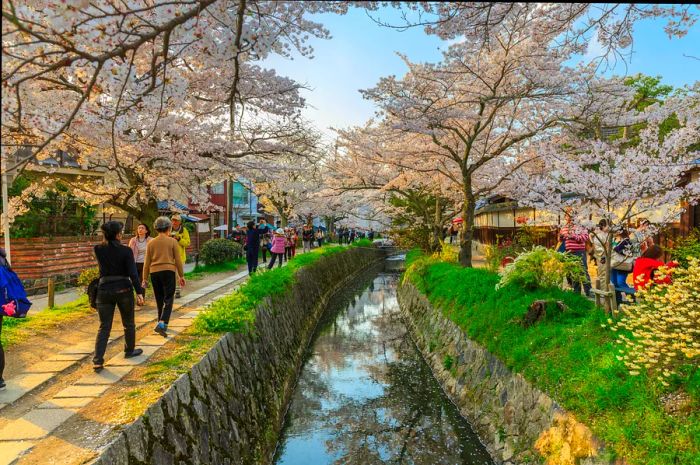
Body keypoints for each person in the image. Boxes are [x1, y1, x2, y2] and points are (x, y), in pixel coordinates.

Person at [92, 221, 145, 371]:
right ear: (117, 234)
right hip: (123, 289)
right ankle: (129, 350)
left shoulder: (98, 249)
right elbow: (133, 273)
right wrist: (139, 291)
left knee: (104, 326)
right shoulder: (126, 251)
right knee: (128, 323)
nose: (122, 234)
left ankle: (98, 359)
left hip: (104, 290)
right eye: (120, 232)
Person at [143, 216, 186, 337]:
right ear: (169, 228)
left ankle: (160, 322)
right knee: (169, 298)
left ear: (156, 229)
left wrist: (144, 279)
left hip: (154, 272)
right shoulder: (172, 241)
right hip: (168, 271)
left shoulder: (150, 243)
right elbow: (178, 260)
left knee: (159, 299)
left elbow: (146, 263)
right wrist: (181, 276)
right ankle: (163, 323)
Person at [559, 216, 591, 296]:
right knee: (573, 272)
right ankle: (577, 293)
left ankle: (589, 291)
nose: (568, 218)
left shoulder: (580, 226)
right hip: (569, 252)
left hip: (579, 251)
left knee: (583, 271)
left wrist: (573, 236)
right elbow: (560, 239)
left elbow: (585, 237)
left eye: (570, 216)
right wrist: (561, 238)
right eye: (567, 216)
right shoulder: (564, 227)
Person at [610, 229, 636, 304]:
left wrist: (615, 248)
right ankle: (617, 300)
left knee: (620, 282)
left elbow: (628, 252)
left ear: (620, 231)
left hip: (622, 265)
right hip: (613, 263)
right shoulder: (612, 239)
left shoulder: (627, 240)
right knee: (614, 283)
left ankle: (631, 298)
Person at [170, 215, 190, 298]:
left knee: (179, 274)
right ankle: (172, 290)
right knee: (171, 275)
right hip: (169, 256)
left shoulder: (184, 230)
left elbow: (187, 243)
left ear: (180, 222)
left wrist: (179, 239)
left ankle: (177, 291)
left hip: (180, 257)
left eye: (176, 220)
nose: (174, 222)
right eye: (173, 220)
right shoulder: (168, 229)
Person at [128, 223, 153, 287]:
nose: (140, 229)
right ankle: (137, 295)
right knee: (134, 282)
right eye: (139, 228)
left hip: (145, 264)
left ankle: (142, 296)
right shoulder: (133, 240)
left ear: (146, 231)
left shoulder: (151, 240)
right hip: (135, 263)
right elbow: (129, 252)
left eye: (142, 228)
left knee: (143, 282)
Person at [590, 219, 610, 289]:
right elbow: (597, 248)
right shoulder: (598, 235)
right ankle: (603, 290)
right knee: (603, 274)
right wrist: (606, 248)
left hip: (609, 256)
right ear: (603, 226)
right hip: (602, 256)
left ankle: (607, 289)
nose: (609, 227)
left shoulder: (607, 234)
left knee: (608, 274)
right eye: (608, 225)